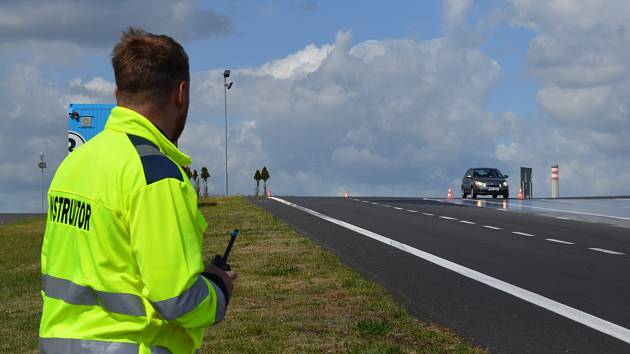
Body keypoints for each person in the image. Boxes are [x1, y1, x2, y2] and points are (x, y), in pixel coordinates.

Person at [39, 28, 237, 354]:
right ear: (181, 93)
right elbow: (178, 300)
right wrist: (219, 289)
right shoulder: (156, 176)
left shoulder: (73, 166)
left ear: (118, 91)